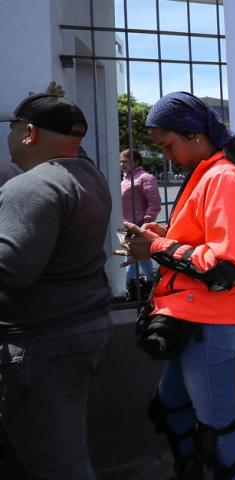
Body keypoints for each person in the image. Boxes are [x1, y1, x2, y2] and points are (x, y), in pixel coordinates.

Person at [122, 92, 235, 479]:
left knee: (219, 429)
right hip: (191, 315)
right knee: (170, 405)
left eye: (168, 145)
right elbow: (205, 240)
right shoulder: (208, 174)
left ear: (195, 136)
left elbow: (227, 264)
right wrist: (165, 235)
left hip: (211, 322)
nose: (166, 156)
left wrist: (155, 246)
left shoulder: (224, 178)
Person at [0, 94, 112, 478]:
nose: (10, 138)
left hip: (42, 346)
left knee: (57, 464)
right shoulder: (89, 175)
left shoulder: (31, 187)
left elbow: (10, 271)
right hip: (81, 330)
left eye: (12, 129)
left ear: (28, 133)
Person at [120, 148, 161, 293]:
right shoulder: (125, 179)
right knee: (138, 258)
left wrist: (146, 222)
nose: (121, 164)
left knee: (133, 257)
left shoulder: (145, 178)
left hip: (138, 225)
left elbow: (154, 203)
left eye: (125, 161)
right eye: (120, 161)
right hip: (127, 225)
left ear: (136, 162)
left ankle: (132, 288)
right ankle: (151, 286)